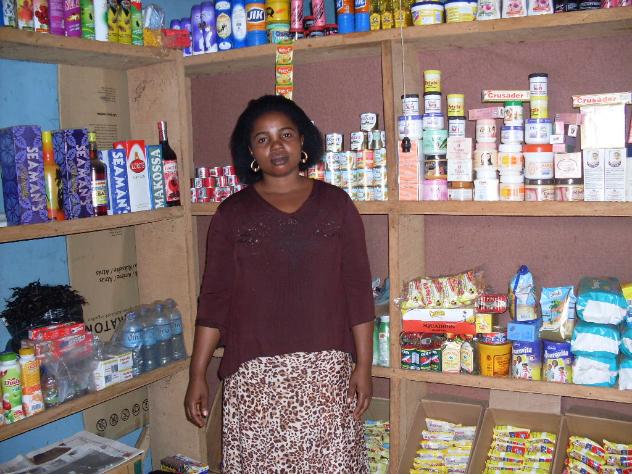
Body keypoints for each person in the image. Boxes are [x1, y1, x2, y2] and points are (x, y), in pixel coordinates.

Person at [184, 95, 374, 472]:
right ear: (250, 152)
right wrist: (197, 374)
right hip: (255, 380)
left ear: (302, 140)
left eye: (285, 134)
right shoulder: (232, 214)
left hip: (327, 376)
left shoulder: (337, 205)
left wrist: (364, 366)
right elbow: (214, 301)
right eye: (263, 139)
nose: (276, 146)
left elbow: (358, 291)